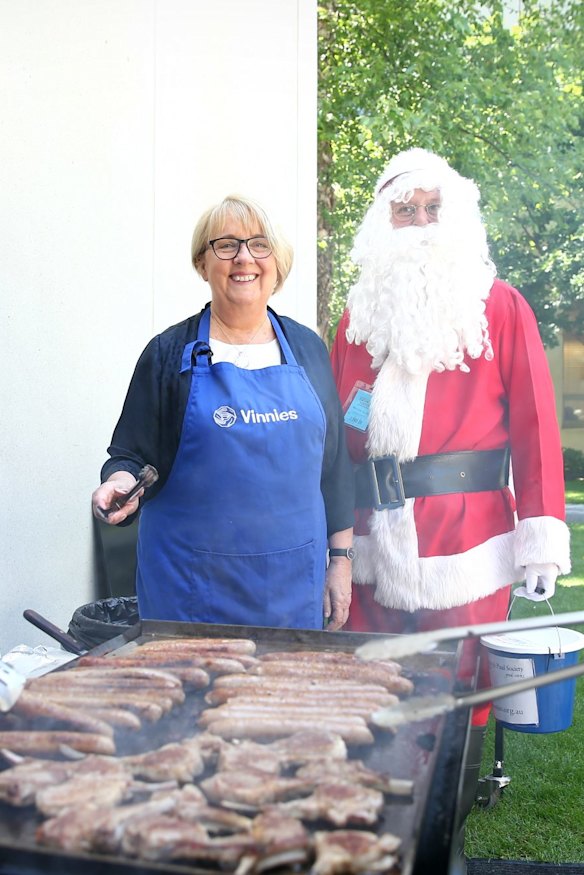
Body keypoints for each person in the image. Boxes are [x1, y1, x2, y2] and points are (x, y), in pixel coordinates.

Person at [330, 148, 570, 853]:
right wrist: (333, 542)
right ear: (382, 224)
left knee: (456, 705)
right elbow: (339, 436)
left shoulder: (500, 306)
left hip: (466, 547)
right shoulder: (356, 320)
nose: (421, 223)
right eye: (405, 211)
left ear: (456, 216)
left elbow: (536, 430)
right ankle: (374, 839)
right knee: (372, 692)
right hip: (372, 544)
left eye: (433, 209)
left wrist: (542, 536)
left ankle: (445, 838)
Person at [92, 195, 354, 631]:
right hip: (189, 591)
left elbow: (336, 468)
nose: (244, 258)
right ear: (202, 263)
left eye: (259, 244)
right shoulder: (166, 354)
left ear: (278, 261)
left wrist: (341, 561)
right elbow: (128, 456)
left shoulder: (308, 349)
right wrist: (119, 483)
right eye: (226, 245)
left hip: (291, 589)